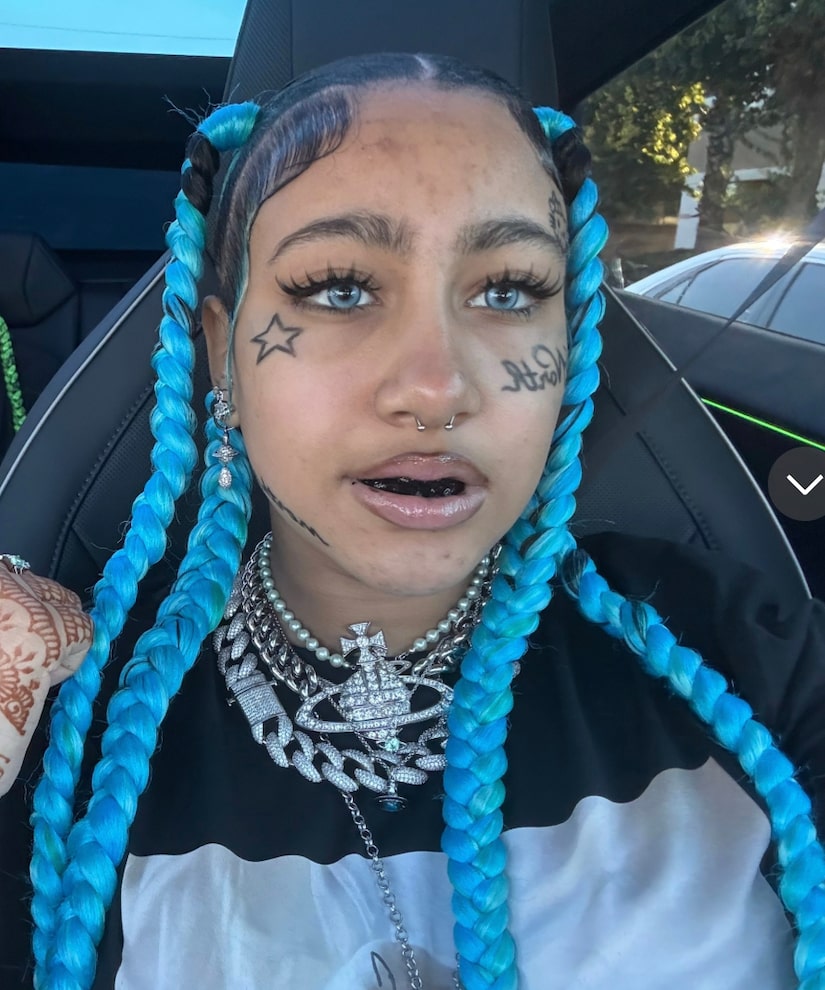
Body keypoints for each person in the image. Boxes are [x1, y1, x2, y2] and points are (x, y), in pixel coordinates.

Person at [1, 52, 825, 990]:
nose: (437, 388)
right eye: (339, 288)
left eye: (508, 290)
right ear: (222, 355)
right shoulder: (63, 720)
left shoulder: (744, 654)